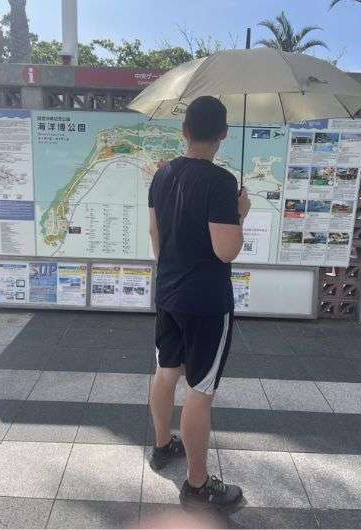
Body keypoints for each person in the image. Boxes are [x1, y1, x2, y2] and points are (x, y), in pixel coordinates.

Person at [147, 95, 250, 510]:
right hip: (206, 301)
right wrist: (241, 212)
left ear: (184, 130)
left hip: (168, 291)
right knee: (201, 390)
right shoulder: (221, 182)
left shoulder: (162, 174)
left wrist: (173, 269)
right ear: (223, 134)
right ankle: (197, 485)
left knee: (166, 370)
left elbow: (155, 236)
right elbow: (226, 251)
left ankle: (161, 446)